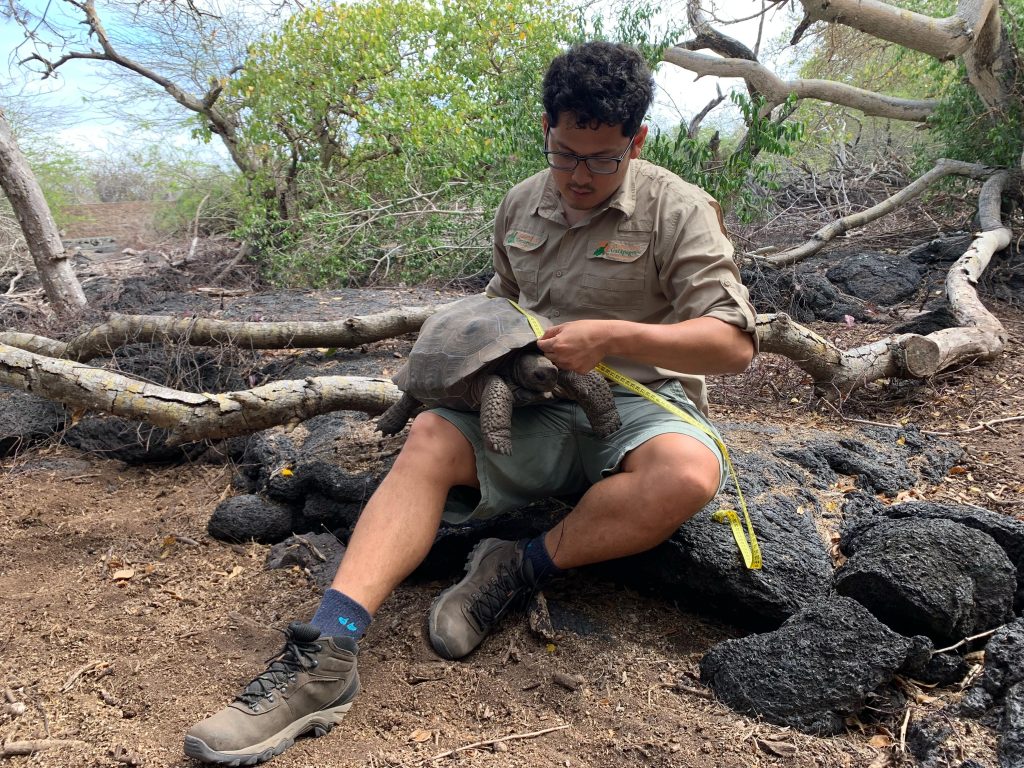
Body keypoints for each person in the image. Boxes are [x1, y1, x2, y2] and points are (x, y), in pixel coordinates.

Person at [184, 40, 758, 765]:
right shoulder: (522, 203)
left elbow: (733, 345)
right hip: (528, 395)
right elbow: (501, 305)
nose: (580, 176)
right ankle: (329, 651)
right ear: (545, 128)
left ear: (636, 141)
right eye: (565, 153)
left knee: (685, 476)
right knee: (427, 436)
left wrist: (613, 337)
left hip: (640, 399)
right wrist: (448, 360)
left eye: (603, 159)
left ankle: (518, 567)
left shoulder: (679, 209)